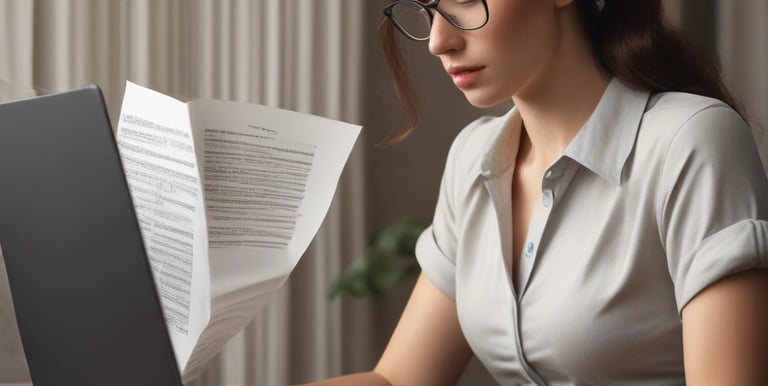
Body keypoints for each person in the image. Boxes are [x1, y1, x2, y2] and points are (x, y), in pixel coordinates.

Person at [299, 0, 768, 384]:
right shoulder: (474, 157)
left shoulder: (688, 140)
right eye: (428, 11)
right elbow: (399, 379)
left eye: (463, 0)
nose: (440, 41)